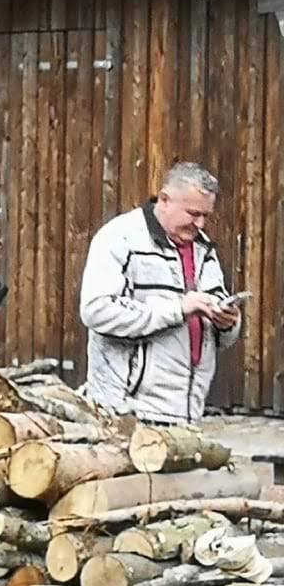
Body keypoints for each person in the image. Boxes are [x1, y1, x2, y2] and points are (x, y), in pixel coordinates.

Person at [80, 162, 241, 425]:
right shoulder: (119, 238)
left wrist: (227, 322)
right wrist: (178, 308)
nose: (200, 224)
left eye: (206, 216)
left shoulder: (204, 250)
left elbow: (218, 334)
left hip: (186, 414)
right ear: (164, 199)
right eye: (193, 213)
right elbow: (95, 310)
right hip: (126, 413)